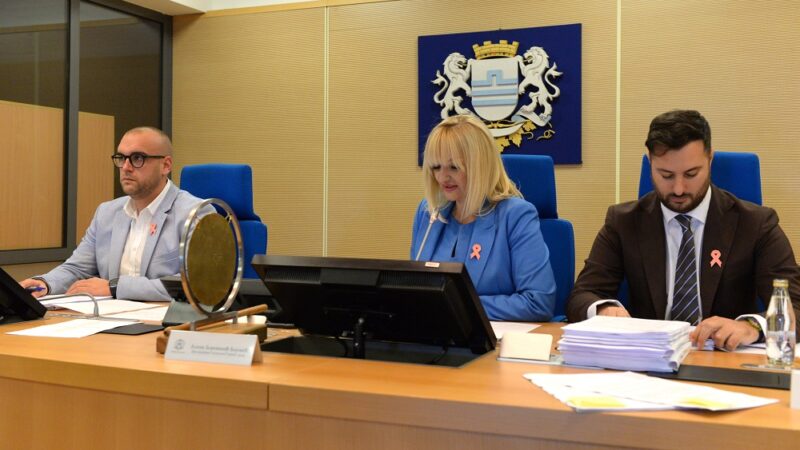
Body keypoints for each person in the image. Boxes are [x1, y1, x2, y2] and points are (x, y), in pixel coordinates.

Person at [566, 109, 800, 350]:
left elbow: (795, 305)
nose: (678, 189)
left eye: (691, 174)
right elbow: (582, 296)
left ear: (710, 159)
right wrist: (603, 309)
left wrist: (751, 326)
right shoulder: (624, 222)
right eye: (666, 175)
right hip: (648, 359)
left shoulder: (755, 224)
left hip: (725, 357)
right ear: (650, 162)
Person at [20, 127, 212, 301]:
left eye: (137, 158)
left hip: (164, 321)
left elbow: (197, 283)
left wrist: (115, 287)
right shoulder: (107, 213)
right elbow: (77, 268)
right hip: (110, 318)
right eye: (121, 158)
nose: (126, 167)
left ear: (166, 165)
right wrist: (44, 284)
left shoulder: (196, 214)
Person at [410, 115, 556, 321]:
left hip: (493, 336)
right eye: (436, 167)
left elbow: (538, 302)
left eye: (454, 167)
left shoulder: (515, 216)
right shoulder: (428, 212)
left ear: (480, 167)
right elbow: (415, 288)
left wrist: (457, 306)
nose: (442, 177)